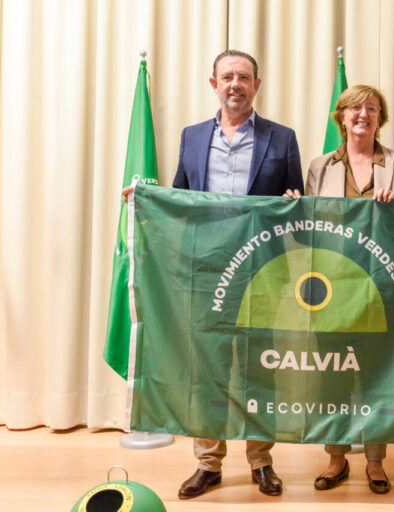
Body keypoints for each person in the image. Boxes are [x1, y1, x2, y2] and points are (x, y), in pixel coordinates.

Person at [125, 49, 303, 499]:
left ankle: (262, 462)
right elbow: (181, 202)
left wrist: (292, 198)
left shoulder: (282, 139)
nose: (235, 84)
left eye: (244, 77)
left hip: (263, 272)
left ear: (256, 85)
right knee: (207, 371)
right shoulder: (191, 136)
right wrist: (145, 199)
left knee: (261, 370)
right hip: (205, 272)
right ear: (213, 84)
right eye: (228, 77)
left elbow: (298, 203)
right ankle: (208, 463)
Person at [286, 84, 394, 494]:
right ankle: (336, 458)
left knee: (376, 374)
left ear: (381, 118)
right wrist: (294, 204)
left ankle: (376, 462)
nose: (364, 114)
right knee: (334, 376)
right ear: (341, 118)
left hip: (380, 285)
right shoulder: (320, 166)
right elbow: (308, 229)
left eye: (373, 108)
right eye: (355, 108)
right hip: (332, 286)